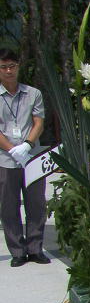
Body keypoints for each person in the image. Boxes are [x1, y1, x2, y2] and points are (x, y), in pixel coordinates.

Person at [0, 48, 48, 267]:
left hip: (31, 157)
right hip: (5, 158)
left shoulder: (33, 93)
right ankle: (18, 251)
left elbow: (38, 121)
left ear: (18, 67)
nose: (8, 71)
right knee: (9, 205)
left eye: (12, 66)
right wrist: (12, 149)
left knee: (36, 204)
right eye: (3, 67)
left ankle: (35, 248)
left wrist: (27, 145)